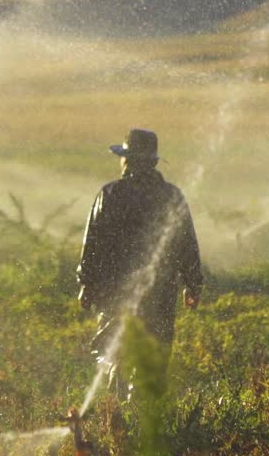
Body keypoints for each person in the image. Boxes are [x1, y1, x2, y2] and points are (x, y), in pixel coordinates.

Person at [77, 128, 203, 369]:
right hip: (161, 294)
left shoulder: (111, 194)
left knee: (116, 356)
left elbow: (92, 244)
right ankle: (143, 404)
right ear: (153, 162)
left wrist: (87, 284)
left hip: (114, 293)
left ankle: (120, 403)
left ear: (128, 160)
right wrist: (192, 284)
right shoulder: (172, 196)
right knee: (155, 358)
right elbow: (187, 244)